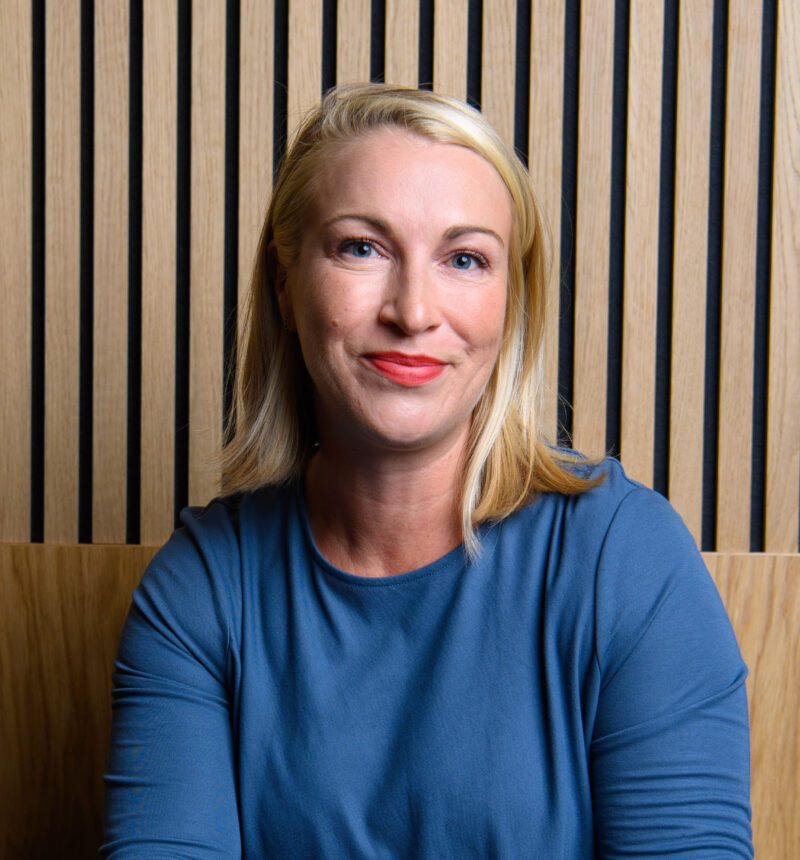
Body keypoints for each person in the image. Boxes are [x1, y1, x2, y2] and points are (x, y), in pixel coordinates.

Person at [102, 84, 753, 857]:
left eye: (465, 259)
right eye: (362, 248)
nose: (413, 311)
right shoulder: (204, 586)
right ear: (285, 284)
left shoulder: (625, 558)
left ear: (511, 303)